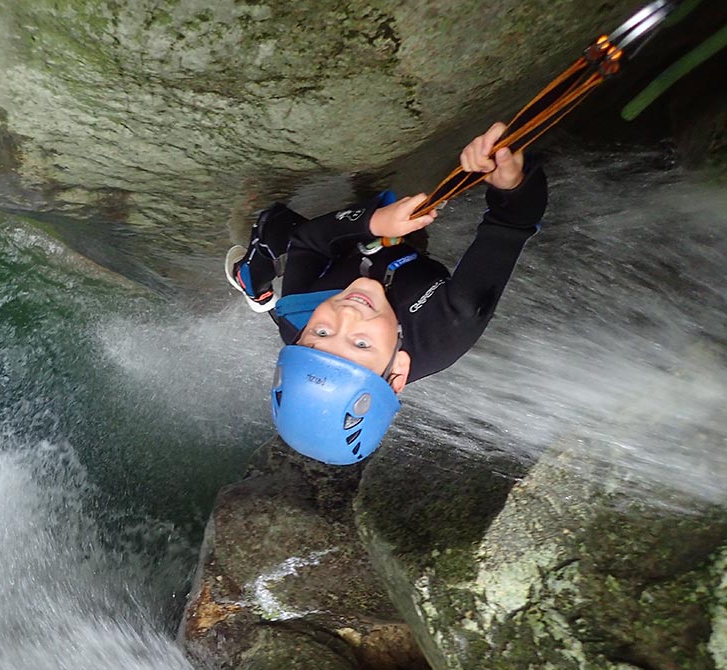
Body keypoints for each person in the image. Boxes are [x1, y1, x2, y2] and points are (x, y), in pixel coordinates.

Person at [225, 122, 548, 465]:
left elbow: (306, 241)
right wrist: (510, 184)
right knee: (400, 237)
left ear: (300, 338)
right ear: (398, 373)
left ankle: (251, 279)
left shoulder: (297, 316)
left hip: (353, 259)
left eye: (320, 334)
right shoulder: (447, 327)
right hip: (397, 265)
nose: (345, 316)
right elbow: (510, 225)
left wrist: (373, 222)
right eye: (361, 344)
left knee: (275, 223)